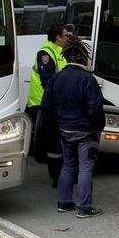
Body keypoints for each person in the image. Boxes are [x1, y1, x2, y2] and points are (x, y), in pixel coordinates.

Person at [42, 35, 104, 218]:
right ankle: (84, 208)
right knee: (85, 168)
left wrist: (56, 126)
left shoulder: (56, 78)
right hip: (86, 131)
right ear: (83, 58)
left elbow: (46, 106)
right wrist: (98, 127)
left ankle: (64, 202)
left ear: (66, 57)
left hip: (65, 130)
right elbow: (95, 108)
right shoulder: (88, 80)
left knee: (68, 165)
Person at [27, 24, 68, 186]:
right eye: (65, 35)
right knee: (51, 139)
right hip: (43, 102)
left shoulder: (59, 53)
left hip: (53, 102)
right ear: (57, 37)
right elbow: (48, 80)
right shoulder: (46, 52)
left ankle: (58, 173)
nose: (67, 38)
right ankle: (55, 175)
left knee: (54, 139)